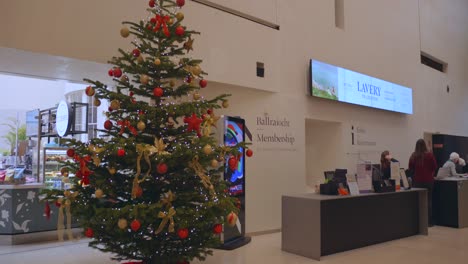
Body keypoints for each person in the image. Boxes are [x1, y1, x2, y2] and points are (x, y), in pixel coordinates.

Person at [408, 139, 437, 226]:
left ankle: (419, 222)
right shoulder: (429, 155)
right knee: (429, 201)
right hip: (428, 181)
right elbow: (434, 167)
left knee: (418, 202)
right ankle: (429, 222)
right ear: (424, 145)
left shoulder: (413, 156)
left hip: (417, 182)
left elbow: (410, 168)